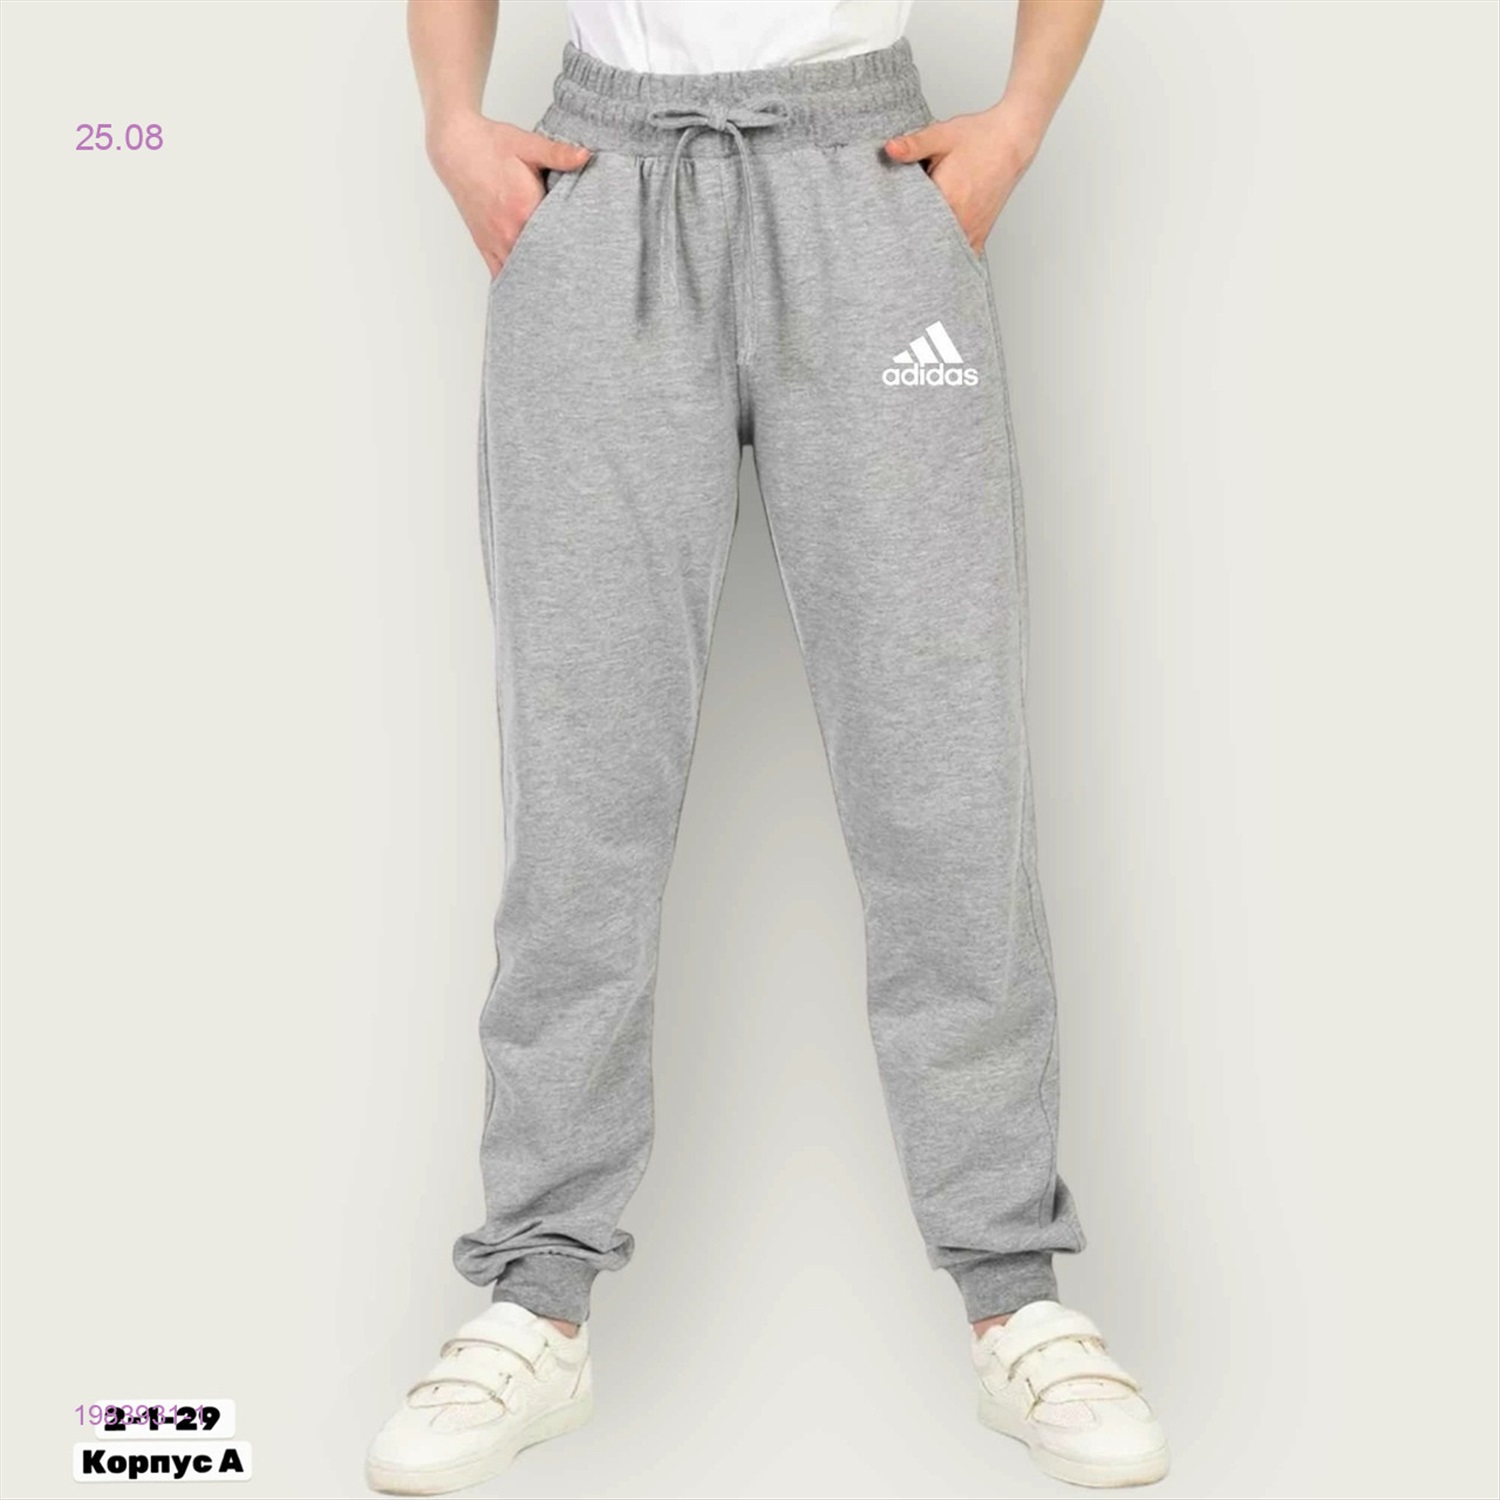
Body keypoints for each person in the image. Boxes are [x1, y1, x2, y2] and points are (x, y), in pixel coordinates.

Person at [369, 1, 1168, 1492]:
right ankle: (536, 1295)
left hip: (870, 196)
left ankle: (1014, 1290)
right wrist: (451, 123)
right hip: (600, 195)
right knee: (582, 776)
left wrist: (1016, 127)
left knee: (942, 766)